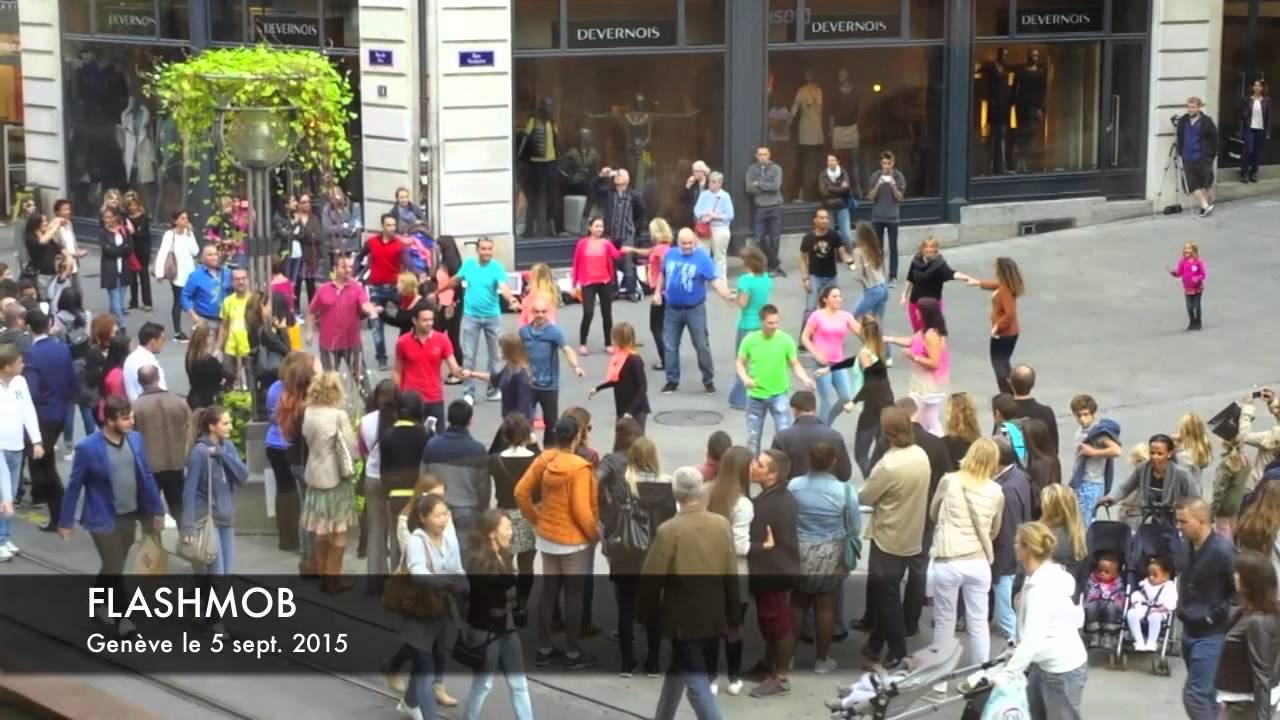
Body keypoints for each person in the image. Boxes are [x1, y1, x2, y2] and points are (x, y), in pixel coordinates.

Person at [57, 396, 165, 636]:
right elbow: (74, 486)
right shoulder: (87, 448)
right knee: (115, 567)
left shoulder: (135, 440)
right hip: (101, 518)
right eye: (126, 418)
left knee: (112, 565)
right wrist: (65, 522)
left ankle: (97, 603)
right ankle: (123, 619)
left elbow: (146, 475)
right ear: (109, 420)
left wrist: (157, 510)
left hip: (130, 514)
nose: (131, 422)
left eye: (132, 417)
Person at [640, 467, 740, 720]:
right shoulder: (721, 525)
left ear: (676, 494)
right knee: (679, 670)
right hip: (714, 614)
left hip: (682, 619)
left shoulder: (669, 530)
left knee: (696, 686)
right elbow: (731, 575)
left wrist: (646, 615)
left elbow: (651, 580)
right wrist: (733, 615)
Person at [515, 416, 599, 671]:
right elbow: (581, 510)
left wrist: (536, 519)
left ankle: (544, 648)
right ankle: (573, 653)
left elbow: (521, 492)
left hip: (548, 537)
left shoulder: (545, 458)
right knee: (573, 596)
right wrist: (594, 534)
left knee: (549, 592)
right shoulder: (580, 468)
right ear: (575, 437)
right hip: (573, 542)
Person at [857, 408, 929, 669]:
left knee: (886, 594)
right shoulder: (920, 454)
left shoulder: (888, 464)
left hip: (889, 535)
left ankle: (897, 650)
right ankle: (876, 643)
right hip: (913, 531)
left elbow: (864, 496)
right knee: (888, 590)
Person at [925, 438, 1004, 667]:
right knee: (978, 623)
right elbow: (994, 530)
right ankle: (980, 675)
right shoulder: (996, 491)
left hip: (948, 559)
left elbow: (933, 513)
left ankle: (938, 681)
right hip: (978, 561)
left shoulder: (949, 481)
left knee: (944, 622)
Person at [602, 436, 675, 677]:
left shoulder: (623, 485)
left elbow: (611, 520)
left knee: (625, 608)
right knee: (654, 609)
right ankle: (653, 663)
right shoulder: (666, 485)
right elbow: (670, 523)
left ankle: (627, 663)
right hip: (654, 555)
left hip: (626, 553)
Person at [1003, 521, 1089, 720]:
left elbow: (1033, 639)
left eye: (1018, 543)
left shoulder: (1040, 590)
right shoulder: (1039, 579)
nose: (1015, 546)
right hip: (1045, 665)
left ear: (1027, 548)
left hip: (1061, 669)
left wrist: (1008, 674)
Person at [788, 442, 860, 674]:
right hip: (831, 552)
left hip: (799, 550)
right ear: (834, 462)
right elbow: (855, 527)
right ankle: (822, 659)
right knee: (825, 606)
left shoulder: (794, 485)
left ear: (810, 461)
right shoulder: (846, 491)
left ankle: (787, 657)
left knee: (797, 604)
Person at [399, 494, 467, 720]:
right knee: (426, 670)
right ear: (423, 518)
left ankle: (409, 702)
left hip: (439, 613)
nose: (443, 519)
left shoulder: (448, 540)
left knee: (428, 663)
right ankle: (429, 716)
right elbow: (418, 573)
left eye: (445, 514)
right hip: (419, 615)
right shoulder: (417, 541)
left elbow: (457, 569)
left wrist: (464, 584)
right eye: (437, 515)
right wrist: (447, 582)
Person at [461, 509, 534, 720]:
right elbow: (495, 604)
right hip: (487, 633)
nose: (511, 533)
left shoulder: (503, 555)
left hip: (507, 629)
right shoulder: (477, 563)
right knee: (483, 684)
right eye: (507, 528)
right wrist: (510, 597)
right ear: (492, 533)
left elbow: (510, 595)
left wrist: (508, 597)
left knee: (519, 685)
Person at [181, 405, 248, 626]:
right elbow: (189, 491)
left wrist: (221, 455)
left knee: (225, 573)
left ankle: (194, 601)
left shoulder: (226, 447)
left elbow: (242, 475)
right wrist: (188, 526)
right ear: (212, 426)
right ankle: (214, 622)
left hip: (226, 518)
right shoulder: (199, 453)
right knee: (217, 573)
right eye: (225, 423)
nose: (230, 427)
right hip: (208, 520)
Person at [1174, 497, 1238, 720]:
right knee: (1207, 694)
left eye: (1183, 522)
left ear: (1202, 521)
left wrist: (1213, 616)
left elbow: (1237, 595)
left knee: (1195, 695)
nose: (1179, 527)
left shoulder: (1224, 551)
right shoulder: (1186, 546)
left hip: (1212, 634)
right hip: (1189, 629)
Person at [438, 237, 520, 403]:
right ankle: (469, 392)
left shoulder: (496, 267)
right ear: (477, 250)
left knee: (496, 355)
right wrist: (439, 291)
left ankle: (493, 389)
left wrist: (511, 299)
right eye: (483, 249)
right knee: (469, 356)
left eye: (489, 249)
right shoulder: (468, 265)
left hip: (493, 316)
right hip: (471, 316)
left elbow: (503, 286)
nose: (487, 252)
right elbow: (455, 280)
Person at [300, 371, 360, 594]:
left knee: (321, 529)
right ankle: (333, 578)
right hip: (335, 477)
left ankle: (322, 570)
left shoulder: (308, 412)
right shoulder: (338, 416)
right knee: (339, 530)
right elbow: (351, 450)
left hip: (314, 474)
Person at [746, 449, 799, 698]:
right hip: (774, 570)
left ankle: (781, 677)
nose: (753, 465)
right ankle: (768, 664)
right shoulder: (775, 497)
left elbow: (758, 540)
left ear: (773, 474)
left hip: (774, 572)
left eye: (760, 464)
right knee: (769, 622)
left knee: (779, 624)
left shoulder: (771, 504)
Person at [659, 228, 735, 395]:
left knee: (701, 345)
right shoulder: (670, 254)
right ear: (677, 242)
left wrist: (727, 296)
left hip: (695, 309)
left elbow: (714, 280)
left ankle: (708, 380)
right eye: (683, 243)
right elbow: (662, 274)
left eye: (690, 243)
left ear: (695, 242)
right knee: (670, 346)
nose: (687, 247)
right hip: (672, 308)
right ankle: (671, 380)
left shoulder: (702, 258)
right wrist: (658, 293)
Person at [737, 305, 816, 457]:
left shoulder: (785, 340)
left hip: (778, 395)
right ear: (761, 322)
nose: (774, 326)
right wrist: (745, 378)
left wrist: (805, 379)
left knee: (784, 435)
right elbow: (740, 362)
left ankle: (783, 469)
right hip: (755, 396)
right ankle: (753, 469)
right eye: (770, 323)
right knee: (753, 438)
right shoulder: (750, 340)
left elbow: (794, 364)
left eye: (776, 322)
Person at [706, 445, 753, 695]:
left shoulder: (706, 492)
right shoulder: (743, 503)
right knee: (734, 627)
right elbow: (741, 546)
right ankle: (733, 678)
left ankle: (711, 678)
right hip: (735, 573)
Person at [822, 317, 893, 477]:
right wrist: (831, 368)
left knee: (861, 453)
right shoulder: (877, 348)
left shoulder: (865, 353)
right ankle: (881, 479)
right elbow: (855, 362)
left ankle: (872, 483)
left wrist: (853, 402)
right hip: (886, 403)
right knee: (881, 448)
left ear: (861, 330)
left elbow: (871, 384)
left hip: (872, 407)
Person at [23, 311, 75, 528]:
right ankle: (59, 513)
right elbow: (72, 381)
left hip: (42, 415)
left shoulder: (32, 354)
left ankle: (59, 514)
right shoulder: (61, 348)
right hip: (61, 411)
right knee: (47, 461)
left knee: (44, 465)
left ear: (29, 328)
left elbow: (32, 390)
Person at [486, 414, 540, 625]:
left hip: (504, 515)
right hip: (528, 514)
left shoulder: (495, 460)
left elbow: (490, 456)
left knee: (505, 563)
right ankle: (522, 605)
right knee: (527, 564)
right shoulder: (535, 460)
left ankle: (506, 601)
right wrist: (536, 446)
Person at [1214, 549, 1280, 719]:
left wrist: (1262, 716)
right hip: (1237, 701)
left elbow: (1263, 673)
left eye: (1238, 573)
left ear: (1250, 581)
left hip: (1246, 705)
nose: (1234, 576)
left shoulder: (1259, 621)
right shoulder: (1246, 612)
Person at [421, 400, 490, 549]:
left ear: (448, 418)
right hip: (468, 512)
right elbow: (483, 486)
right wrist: (483, 512)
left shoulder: (432, 446)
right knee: (465, 558)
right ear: (469, 421)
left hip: (436, 510)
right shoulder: (477, 450)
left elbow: (423, 479)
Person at [132, 365, 190, 525]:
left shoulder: (136, 407)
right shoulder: (180, 402)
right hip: (176, 462)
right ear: (158, 378)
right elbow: (189, 431)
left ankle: (153, 546)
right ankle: (187, 542)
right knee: (179, 507)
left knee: (150, 511)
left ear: (139, 382)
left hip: (150, 467)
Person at [518, 296, 585, 430]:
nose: (540, 315)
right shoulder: (524, 332)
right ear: (532, 313)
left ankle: (551, 448)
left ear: (548, 312)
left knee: (551, 422)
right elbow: (519, 352)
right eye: (537, 312)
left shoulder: (554, 332)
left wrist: (576, 367)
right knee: (524, 422)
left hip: (549, 385)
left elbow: (566, 349)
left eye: (543, 311)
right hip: (529, 383)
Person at [885, 297, 950, 435]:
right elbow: (912, 341)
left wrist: (913, 356)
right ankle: (937, 446)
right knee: (931, 420)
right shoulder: (925, 331)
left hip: (927, 385)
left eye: (918, 311)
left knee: (917, 418)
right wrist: (891, 339)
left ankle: (930, 445)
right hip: (924, 383)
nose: (916, 313)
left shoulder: (931, 335)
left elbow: (934, 362)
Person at [305, 255, 380, 375]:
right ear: (335, 269)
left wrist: (371, 311)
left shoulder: (357, 288)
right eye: (344, 267)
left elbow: (365, 303)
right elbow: (311, 311)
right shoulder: (324, 290)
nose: (348, 270)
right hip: (329, 343)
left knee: (360, 379)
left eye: (350, 267)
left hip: (352, 342)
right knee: (329, 382)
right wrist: (309, 332)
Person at [357, 379, 399, 590]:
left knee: (376, 529)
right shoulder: (401, 420)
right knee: (396, 530)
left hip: (373, 478)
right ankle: (397, 579)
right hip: (397, 480)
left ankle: (375, 580)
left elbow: (362, 452)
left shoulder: (366, 421)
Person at [393, 305, 463, 430]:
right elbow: (397, 370)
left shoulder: (442, 340)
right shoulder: (402, 342)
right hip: (411, 400)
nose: (429, 323)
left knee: (438, 440)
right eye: (425, 320)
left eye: (431, 319)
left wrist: (463, 372)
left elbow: (454, 368)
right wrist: (397, 396)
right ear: (414, 321)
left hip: (434, 398)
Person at [265, 352, 308, 551]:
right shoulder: (301, 390)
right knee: (301, 494)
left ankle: (287, 539)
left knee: (284, 491)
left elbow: (270, 415)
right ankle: (304, 541)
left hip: (273, 443)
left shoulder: (274, 388)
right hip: (293, 445)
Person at [0, 343, 40, 555]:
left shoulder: (20, 382)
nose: (22, 365)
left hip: (16, 447)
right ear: (6, 366)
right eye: (18, 362)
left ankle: (5, 537)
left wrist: (37, 441)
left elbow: (28, 411)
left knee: (11, 494)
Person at [1098, 434, 1201, 515]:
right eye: (1152, 453)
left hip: (1176, 522)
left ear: (1169, 453)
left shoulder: (1182, 475)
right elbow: (1125, 488)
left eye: (1160, 454)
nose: (1155, 457)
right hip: (1148, 519)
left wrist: (1181, 508)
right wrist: (1111, 498)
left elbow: (1195, 499)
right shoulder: (1142, 469)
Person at [801, 285, 860, 423]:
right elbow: (804, 337)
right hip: (821, 363)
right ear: (825, 299)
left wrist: (874, 339)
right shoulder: (817, 316)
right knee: (826, 400)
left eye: (840, 296)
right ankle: (822, 431)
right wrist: (816, 354)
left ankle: (824, 424)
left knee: (846, 397)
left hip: (838, 362)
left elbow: (861, 332)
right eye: (834, 296)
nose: (839, 299)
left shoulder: (846, 316)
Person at [969, 257, 1025, 393]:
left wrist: (997, 326)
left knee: (998, 363)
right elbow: (996, 285)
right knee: (1004, 361)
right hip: (1011, 332)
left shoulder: (1005, 291)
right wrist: (978, 283)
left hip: (1003, 333)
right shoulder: (1008, 285)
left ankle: (1007, 393)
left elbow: (1009, 312)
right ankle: (1012, 391)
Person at [361, 213, 409, 371]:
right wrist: (353, 274)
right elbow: (359, 257)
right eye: (388, 225)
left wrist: (420, 274)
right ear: (382, 226)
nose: (392, 228)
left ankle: (404, 354)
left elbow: (408, 261)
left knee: (407, 318)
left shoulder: (399, 244)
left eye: (394, 225)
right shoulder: (371, 242)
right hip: (376, 288)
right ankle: (381, 358)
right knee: (376, 324)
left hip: (395, 287)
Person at [465, 334, 535, 440]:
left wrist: (516, 430)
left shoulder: (522, 377)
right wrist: (472, 374)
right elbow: (495, 379)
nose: (499, 351)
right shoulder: (509, 368)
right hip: (509, 423)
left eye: (501, 348)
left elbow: (523, 409)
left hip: (518, 428)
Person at [771, 390, 852, 481]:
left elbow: (774, 472)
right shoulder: (835, 436)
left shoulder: (782, 438)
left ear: (793, 410)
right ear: (815, 409)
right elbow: (845, 474)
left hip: (793, 493)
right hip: (827, 492)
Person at [728, 247, 771, 411]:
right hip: (760, 324)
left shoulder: (745, 280)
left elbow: (744, 304)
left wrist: (735, 298)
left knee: (741, 362)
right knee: (756, 362)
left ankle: (739, 399)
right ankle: (755, 394)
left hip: (746, 325)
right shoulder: (766, 278)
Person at [899, 237, 974, 333]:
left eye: (931, 247)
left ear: (936, 249)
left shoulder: (939, 264)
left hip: (931, 305)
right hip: (915, 303)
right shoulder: (916, 260)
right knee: (917, 332)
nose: (928, 249)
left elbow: (951, 273)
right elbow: (910, 279)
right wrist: (904, 296)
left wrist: (966, 278)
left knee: (931, 333)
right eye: (926, 247)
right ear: (922, 248)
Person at [570, 217, 621, 355]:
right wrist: (574, 284)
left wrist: (625, 248)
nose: (600, 229)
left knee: (607, 314)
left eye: (601, 226)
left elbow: (616, 255)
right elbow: (576, 264)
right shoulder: (582, 244)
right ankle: (583, 343)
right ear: (590, 228)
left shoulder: (606, 243)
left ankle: (608, 343)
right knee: (588, 313)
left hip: (605, 282)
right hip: (588, 283)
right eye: (597, 226)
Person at [1068, 393, 1121, 527]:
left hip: (1092, 483)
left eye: (1086, 414)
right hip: (1081, 481)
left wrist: (1093, 452)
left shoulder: (1098, 433)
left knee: (1083, 525)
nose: (1082, 419)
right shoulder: (1082, 430)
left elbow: (1116, 450)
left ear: (1093, 414)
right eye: (1078, 415)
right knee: (1079, 521)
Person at [799, 208, 852, 337]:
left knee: (832, 307)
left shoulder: (834, 235)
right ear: (815, 220)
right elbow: (803, 259)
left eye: (826, 218)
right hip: (814, 276)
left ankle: (830, 334)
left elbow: (842, 252)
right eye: (821, 218)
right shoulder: (808, 238)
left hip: (831, 277)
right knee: (810, 308)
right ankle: (805, 338)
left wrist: (850, 262)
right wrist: (805, 278)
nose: (825, 220)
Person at [588, 322, 650, 431]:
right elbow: (617, 379)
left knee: (635, 442)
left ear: (619, 339)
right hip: (622, 407)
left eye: (614, 337)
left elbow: (642, 386)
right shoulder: (619, 356)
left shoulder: (634, 359)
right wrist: (598, 388)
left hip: (636, 410)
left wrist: (631, 412)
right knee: (621, 441)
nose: (613, 340)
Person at [596, 167, 646, 299]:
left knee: (628, 262)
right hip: (610, 234)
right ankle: (613, 291)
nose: (616, 177)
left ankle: (631, 290)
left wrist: (635, 229)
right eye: (616, 175)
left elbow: (641, 212)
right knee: (610, 263)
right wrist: (601, 176)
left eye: (620, 175)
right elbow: (594, 189)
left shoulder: (633, 195)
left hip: (627, 233)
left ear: (627, 179)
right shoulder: (609, 193)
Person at [153, 209, 199, 341]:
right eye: (183, 218)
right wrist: (159, 273)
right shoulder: (169, 235)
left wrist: (190, 234)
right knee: (178, 302)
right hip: (177, 273)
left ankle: (196, 326)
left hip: (190, 272)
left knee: (193, 300)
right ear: (175, 221)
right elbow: (162, 253)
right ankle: (177, 332)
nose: (186, 221)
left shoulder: (188, 233)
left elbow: (195, 251)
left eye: (187, 218)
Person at [847, 222, 891, 360]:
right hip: (883, 286)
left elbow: (858, 275)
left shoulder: (858, 251)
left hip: (871, 289)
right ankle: (886, 354)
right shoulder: (875, 248)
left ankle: (871, 345)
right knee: (877, 322)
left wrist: (852, 266)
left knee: (853, 318)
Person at [1175, 96, 1220, 217]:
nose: (1190, 109)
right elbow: (1179, 138)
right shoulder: (1183, 121)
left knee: (1204, 184)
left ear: (1199, 108)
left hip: (1202, 158)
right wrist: (1179, 154)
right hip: (1187, 158)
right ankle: (1205, 206)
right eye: (1188, 107)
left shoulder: (1206, 122)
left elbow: (1215, 139)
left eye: (1193, 107)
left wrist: (1211, 155)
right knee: (1190, 184)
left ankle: (1205, 206)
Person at [867, 151, 906, 282]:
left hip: (893, 217)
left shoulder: (898, 176)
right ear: (881, 163)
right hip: (877, 217)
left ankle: (893, 275)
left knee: (893, 247)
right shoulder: (875, 176)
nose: (887, 166)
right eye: (884, 163)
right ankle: (880, 274)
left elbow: (900, 198)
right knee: (878, 248)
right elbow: (870, 197)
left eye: (889, 163)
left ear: (893, 163)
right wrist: (879, 184)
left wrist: (893, 185)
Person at [1126, 555, 1179, 652]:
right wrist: (1134, 602)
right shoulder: (1145, 584)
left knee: (1155, 616)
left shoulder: (1169, 587)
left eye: (1155, 575)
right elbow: (1137, 594)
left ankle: (1151, 642)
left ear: (1165, 576)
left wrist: (1159, 609)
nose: (1151, 577)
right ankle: (1139, 641)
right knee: (1131, 614)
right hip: (1143, 609)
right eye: (1149, 574)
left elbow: (1172, 603)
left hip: (1158, 611)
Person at [746, 146, 785, 276]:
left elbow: (775, 186)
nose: (763, 157)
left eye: (765, 154)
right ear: (756, 156)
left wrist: (759, 184)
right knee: (759, 238)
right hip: (760, 208)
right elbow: (749, 189)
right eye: (760, 154)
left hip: (775, 207)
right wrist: (761, 186)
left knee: (775, 238)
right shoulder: (752, 169)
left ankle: (772, 268)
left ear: (769, 155)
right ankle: (776, 263)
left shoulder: (776, 168)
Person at [1007, 365, 1060, 455]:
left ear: (1010, 383)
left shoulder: (1006, 412)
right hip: (1042, 466)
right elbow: (1053, 446)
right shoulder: (1046, 412)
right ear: (1033, 384)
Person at [645, 219, 675, 370]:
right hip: (668, 292)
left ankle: (666, 359)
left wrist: (658, 291)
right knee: (666, 326)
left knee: (656, 327)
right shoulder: (668, 247)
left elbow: (665, 270)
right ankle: (670, 356)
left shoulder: (658, 250)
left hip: (661, 292)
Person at [694, 171, 735, 279]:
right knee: (703, 254)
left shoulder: (725, 196)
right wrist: (704, 215)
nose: (710, 184)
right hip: (704, 227)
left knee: (719, 256)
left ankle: (720, 279)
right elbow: (697, 210)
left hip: (720, 228)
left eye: (713, 182)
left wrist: (716, 216)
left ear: (720, 183)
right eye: (710, 182)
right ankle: (704, 277)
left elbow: (730, 215)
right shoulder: (704, 194)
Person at [99, 207, 134, 331]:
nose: (107, 220)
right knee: (115, 299)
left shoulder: (124, 231)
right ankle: (122, 325)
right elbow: (107, 250)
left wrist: (118, 250)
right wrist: (121, 249)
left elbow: (130, 248)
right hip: (110, 269)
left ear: (115, 217)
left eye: (109, 217)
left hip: (123, 269)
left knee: (119, 300)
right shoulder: (103, 233)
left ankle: (111, 325)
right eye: (105, 217)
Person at [182, 245, 231, 332]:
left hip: (226, 321)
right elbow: (185, 296)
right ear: (203, 258)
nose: (214, 257)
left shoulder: (227, 273)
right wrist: (193, 316)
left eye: (216, 254)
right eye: (210, 255)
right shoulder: (196, 276)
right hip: (205, 321)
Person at [1238, 387, 1280, 487]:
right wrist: (1273, 402)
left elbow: (1245, 436)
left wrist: (1247, 409)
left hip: (1263, 489)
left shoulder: (1275, 437)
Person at [1083, 551, 1125, 648]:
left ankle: (1109, 634)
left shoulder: (1117, 583)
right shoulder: (1092, 580)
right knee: (1090, 607)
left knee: (1111, 607)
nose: (1102, 574)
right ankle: (1094, 634)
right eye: (1100, 571)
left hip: (1111, 603)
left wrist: (1117, 600)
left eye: (1107, 572)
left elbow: (1120, 596)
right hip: (1095, 601)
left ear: (1115, 574)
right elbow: (1088, 592)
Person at [184, 324, 230, 411]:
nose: (213, 338)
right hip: (209, 401)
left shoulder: (190, 357)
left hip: (194, 397)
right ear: (206, 338)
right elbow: (222, 377)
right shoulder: (211, 362)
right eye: (212, 336)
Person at [122, 322, 166, 401]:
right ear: (152, 342)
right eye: (162, 340)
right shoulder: (146, 364)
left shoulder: (132, 358)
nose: (164, 343)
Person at [123, 192, 152, 312]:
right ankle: (133, 301)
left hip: (143, 249)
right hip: (131, 249)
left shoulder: (143, 217)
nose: (132, 207)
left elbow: (141, 233)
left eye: (134, 204)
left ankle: (147, 302)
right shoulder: (125, 218)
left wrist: (132, 231)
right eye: (129, 205)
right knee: (132, 277)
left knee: (144, 275)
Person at [818, 153, 853, 250]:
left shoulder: (843, 173)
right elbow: (823, 193)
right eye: (828, 160)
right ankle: (831, 258)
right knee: (829, 235)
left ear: (838, 161)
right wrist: (839, 188)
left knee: (846, 235)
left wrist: (830, 188)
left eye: (833, 160)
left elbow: (846, 191)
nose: (830, 162)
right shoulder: (823, 174)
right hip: (828, 208)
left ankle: (849, 256)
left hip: (842, 207)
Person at [1238, 79, 1271, 183]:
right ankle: (1244, 173)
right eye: (1255, 85)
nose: (1257, 88)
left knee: (1256, 152)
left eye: (1259, 86)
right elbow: (1240, 115)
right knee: (1249, 150)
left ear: (1262, 88)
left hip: (1260, 129)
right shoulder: (1247, 100)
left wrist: (1268, 132)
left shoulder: (1267, 100)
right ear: (1252, 87)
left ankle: (1253, 172)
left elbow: (1268, 117)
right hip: (1249, 128)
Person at [1170, 241, 1206, 331]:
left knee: (1197, 306)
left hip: (1197, 288)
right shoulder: (1182, 262)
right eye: (1185, 249)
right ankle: (1192, 322)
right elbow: (1179, 273)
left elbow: (1203, 274)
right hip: (1188, 288)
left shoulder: (1198, 262)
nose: (1186, 251)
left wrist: (1197, 278)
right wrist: (1174, 273)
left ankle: (1198, 322)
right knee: (1189, 307)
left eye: (1188, 249)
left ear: (1194, 250)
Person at [1174, 411, 1214, 489]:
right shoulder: (1199, 451)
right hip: (1197, 491)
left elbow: (1181, 483)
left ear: (1184, 431)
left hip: (1186, 497)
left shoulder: (1183, 456)